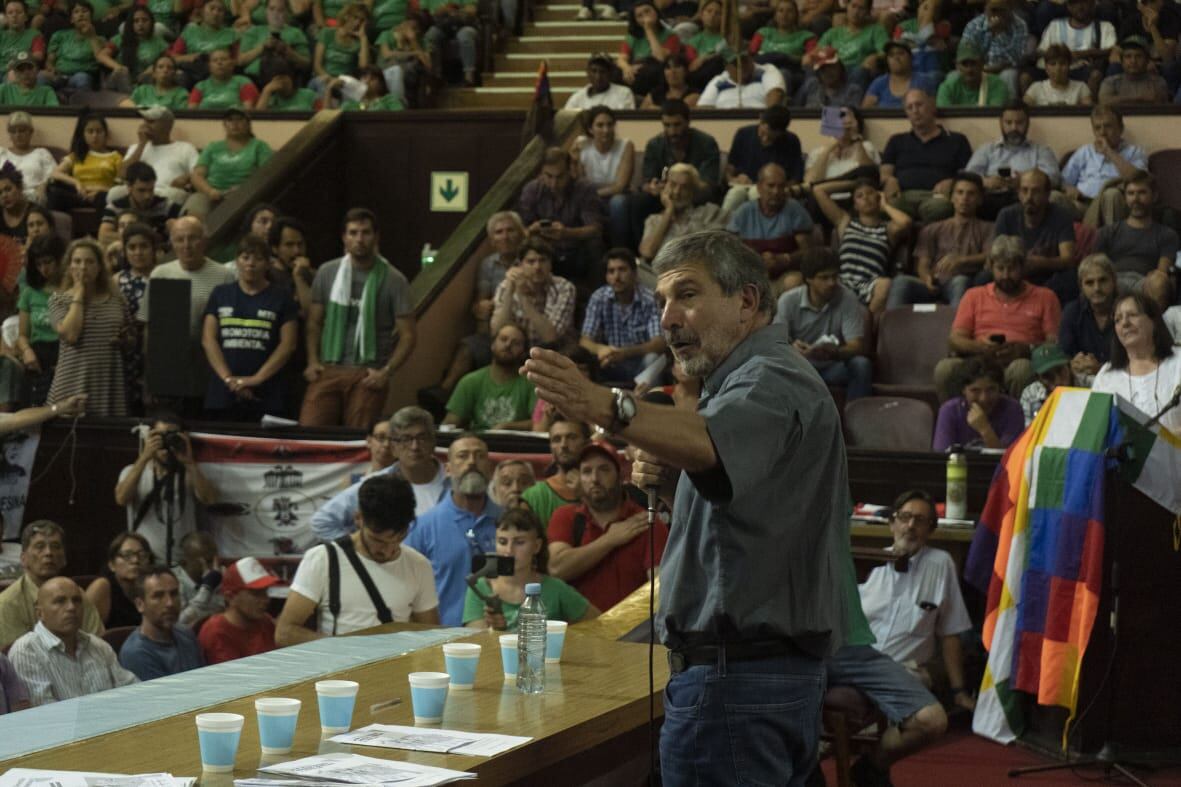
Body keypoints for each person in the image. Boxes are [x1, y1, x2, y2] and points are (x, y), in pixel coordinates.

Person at [525, 229, 849, 784]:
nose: (669, 319)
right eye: (662, 304)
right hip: (753, 677)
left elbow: (710, 443)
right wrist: (680, 486)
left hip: (737, 680)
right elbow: (748, 519)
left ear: (746, 301)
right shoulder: (741, 387)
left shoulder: (768, 378)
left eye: (688, 296)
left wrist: (602, 402)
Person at [276, 474, 440, 642]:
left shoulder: (419, 565)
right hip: (338, 664)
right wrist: (346, 649)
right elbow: (285, 632)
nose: (387, 551)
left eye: (399, 538)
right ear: (358, 519)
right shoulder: (322, 559)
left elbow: (430, 636)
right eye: (378, 540)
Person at [302, 208, 416, 427]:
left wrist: (386, 372)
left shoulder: (394, 279)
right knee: (309, 429)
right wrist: (312, 361)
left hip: (368, 372)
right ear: (344, 238)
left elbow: (408, 335)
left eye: (365, 233)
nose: (359, 239)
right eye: (353, 233)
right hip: (329, 366)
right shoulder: (327, 272)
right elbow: (314, 322)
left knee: (358, 437)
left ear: (376, 236)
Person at [859, 491, 974, 704]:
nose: (910, 526)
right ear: (892, 523)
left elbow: (951, 632)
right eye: (904, 517)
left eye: (920, 521)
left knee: (930, 722)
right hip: (861, 668)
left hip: (905, 672)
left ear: (930, 530)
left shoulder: (940, 564)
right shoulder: (870, 564)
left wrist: (959, 692)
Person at [934, 236, 1061, 401]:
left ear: (1023, 267)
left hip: (1021, 362)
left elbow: (1054, 343)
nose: (1006, 275)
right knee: (945, 369)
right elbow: (955, 339)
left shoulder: (1045, 297)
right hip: (979, 363)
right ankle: (953, 421)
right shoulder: (974, 295)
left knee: (1021, 369)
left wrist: (1026, 349)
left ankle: (1020, 423)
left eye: (1012, 269)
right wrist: (981, 347)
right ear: (991, 267)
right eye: (1000, 268)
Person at [548, 441, 668, 612]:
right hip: (576, 634)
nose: (595, 479)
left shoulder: (646, 522)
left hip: (632, 634)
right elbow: (556, 569)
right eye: (587, 471)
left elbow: (659, 591)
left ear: (620, 476)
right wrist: (610, 540)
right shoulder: (566, 516)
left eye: (604, 469)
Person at [137, 217, 237, 414]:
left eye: (193, 238)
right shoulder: (161, 273)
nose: (186, 245)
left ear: (205, 241)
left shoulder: (223, 275)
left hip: (209, 368)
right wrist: (150, 373)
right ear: (172, 243)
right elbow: (151, 329)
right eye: (179, 239)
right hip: (171, 370)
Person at [311, 406, 449, 541]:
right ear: (394, 448)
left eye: (422, 438)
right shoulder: (376, 485)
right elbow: (322, 522)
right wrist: (360, 551)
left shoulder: (454, 483)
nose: (415, 447)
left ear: (433, 442)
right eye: (406, 439)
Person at [403, 434, 499, 626]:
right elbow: (404, 592)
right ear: (447, 469)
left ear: (490, 468)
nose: (472, 462)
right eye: (463, 456)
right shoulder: (423, 527)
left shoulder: (508, 522)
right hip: (444, 639)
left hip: (503, 636)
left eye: (479, 456)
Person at [201, 234, 298, 421]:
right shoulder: (220, 294)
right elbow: (208, 339)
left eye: (258, 258)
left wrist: (256, 379)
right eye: (245, 257)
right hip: (223, 391)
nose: (251, 264)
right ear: (236, 261)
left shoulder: (282, 297)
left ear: (268, 263)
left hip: (267, 392)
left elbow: (288, 345)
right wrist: (229, 379)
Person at [8, 577, 138, 705]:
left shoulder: (98, 645)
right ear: (40, 613)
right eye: (60, 601)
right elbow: (45, 716)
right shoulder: (27, 651)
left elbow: (133, 690)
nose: (71, 607)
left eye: (77, 600)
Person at [464, 507, 600, 630]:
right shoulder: (480, 587)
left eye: (519, 542)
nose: (509, 551)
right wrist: (496, 630)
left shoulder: (555, 588)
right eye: (502, 542)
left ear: (536, 546)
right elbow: (476, 643)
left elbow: (599, 625)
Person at [614, 99, 720, 250]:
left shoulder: (706, 143)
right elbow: (647, 181)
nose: (672, 131)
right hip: (664, 195)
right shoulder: (654, 144)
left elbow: (709, 184)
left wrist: (683, 184)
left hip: (695, 195)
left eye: (677, 125)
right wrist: (652, 187)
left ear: (688, 122)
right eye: (667, 125)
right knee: (637, 203)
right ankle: (635, 255)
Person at [114, 414, 218, 564]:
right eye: (160, 435)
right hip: (144, 560)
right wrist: (144, 457)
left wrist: (189, 462)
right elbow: (121, 499)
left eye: (171, 436)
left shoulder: (191, 472)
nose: (165, 442)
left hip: (183, 562)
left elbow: (210, 499)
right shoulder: (132, 471)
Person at [774, 248, 872, 400]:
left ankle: (855, 418)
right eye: (824, 278)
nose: (832, 283)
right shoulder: (788, 300)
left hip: (831, 366)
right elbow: (776, 342)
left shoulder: (847, 298)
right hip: (798, 367)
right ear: (809, 279)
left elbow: (857, 346)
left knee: (861, 365)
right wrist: (792, 348)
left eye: (834, 276)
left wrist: (835, 352)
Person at [46, 238, 129, 417]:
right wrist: (79, 293)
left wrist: (125, 340)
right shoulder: (59, 300)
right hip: (73, 379)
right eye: (77, 261)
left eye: (90, 261)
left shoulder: (117, 299)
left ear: (99, 267)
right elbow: (70, 335)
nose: (83, 267)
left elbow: (129, 335)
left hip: (108, 378)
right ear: (69, 267)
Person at [890, 172, 993, 308]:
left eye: (971, 194)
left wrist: (961, 260)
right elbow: (923, 264)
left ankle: (956, 328)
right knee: (901, 282)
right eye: (960, 193)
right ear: (951, 197)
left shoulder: (988, 228)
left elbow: (990, 255)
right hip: (934, 282)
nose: (964, 198)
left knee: (960, 281)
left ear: (980, 199)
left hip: (965, 283)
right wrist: (926, 278)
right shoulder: (932, 229)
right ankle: (890, 327)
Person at [814, 176, 911, 316]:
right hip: (841, 282)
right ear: (855, 205)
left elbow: (906, 223)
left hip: (869, 285)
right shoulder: (846, 222)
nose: (866, 198)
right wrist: (853, 183)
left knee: (885, 284)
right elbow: (819, 190)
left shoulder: (887, 229)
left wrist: (885, 205)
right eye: (859, 196)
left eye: (870, 193)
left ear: (878, 197)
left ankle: (865, 325)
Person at [0, 521, 105, 650]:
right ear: (23, 558)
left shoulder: (77, 595)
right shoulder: (8, 603)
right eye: (40, 546)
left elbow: (99, 645)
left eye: (55, 546)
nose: (49, 553)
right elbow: (14, 658)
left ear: (64, 559)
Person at [1092, 292, 1181, 432]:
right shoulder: (1106, 376)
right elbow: (1097, 430)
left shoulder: (1178, 362)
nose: (1125, 323)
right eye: (1118, 320)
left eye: (1132, 315)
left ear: (1153, 320)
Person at [881, 89, 973, 222]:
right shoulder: (896, 140)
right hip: (904, 195)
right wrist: (889, 180)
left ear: (932, 106)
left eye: (919, 105)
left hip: (937, 197)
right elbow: (885, 173)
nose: (915, 111)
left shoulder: (957, 140)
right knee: (887, 205)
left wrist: (953, 182)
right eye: (910, 107)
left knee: (940, 208)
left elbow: (967, 175)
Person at [516, 146, 605, 282]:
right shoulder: (532, 190)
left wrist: (567, 233)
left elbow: (595, 228)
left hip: (577, 247)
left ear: (570, 171)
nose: (554, 183)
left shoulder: (585, 189)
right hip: (544, 248)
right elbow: (521, 229)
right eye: (549, 176)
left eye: (560, 177)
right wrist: (532, 230)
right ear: (541, 173)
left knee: (595, 244)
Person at [964, 101, 1062, 220]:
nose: (1014, 128)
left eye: (1019, 122)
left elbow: (1054, 179)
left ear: (1027, 123)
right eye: (1009, 122)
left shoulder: (1041, 151)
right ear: (1001, 123)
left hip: (1027, 199)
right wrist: (985, 181)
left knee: (1053, 198)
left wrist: (1025, 181)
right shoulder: (987, 149)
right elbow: (967, 177)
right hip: (991, 198)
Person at [579, 247, 665, 382]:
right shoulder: (599, 297)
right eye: (611, 271)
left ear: (635, 273)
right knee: (588, 360)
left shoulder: (649, 299)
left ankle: (649, 401)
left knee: (653, 358)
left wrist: (624, 353)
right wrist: (601, 349)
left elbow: (659, 343)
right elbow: (585, 341)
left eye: (622, 270)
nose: (616, 277)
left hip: (640, 362)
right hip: (610, 361)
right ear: (606, 276)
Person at [993, 169, 1079, 303]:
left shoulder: (1062, 216)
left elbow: (1068, 260)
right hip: (1013, 273)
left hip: (1048, 275)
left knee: (1070, 279)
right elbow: (995, 257)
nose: (1029, 197)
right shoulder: (1006, 215)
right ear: (1018, 193)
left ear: (1047, 194)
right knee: (984, 277)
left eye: (1036, 191)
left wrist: (1042, 263)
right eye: (1024, 190)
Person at [1094, 170, 1177, 308]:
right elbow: (1096, 266)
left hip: (1144, 282)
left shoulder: (1167, 234)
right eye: (1131, 193)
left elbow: (1162, 271)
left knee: (1159, 281)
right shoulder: (1107, 232)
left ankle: (1155, 328)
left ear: (1154, 196)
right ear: (1125, 197)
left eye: (1142, 193)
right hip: (1113, 280)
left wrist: (1157, 277)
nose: (1136, 199)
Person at [727, 163, 815, 289]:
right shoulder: (744, 212)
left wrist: (784, 259)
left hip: (784, 275)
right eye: (771, 186)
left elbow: (809, 252)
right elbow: (729, 251)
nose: (776, 192)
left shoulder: (795, 210)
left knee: (794, 282)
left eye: (781, 186)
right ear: (759, 187)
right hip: (751, 276)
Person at [1060, 104, 1148, 227]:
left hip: (1112, 204)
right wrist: (1068, 188)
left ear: (1120, 128)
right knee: (1054, 197)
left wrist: (1109, 152)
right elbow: (1063, 181)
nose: (1102, 132)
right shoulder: (1084, 152)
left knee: (1111, 194)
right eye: (1097, 128)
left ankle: (1108, 243)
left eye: (1108, 126)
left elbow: (1139, 180)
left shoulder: (1134, 152)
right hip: (1083, 204)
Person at [443, 323, 535, 430]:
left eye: (516, 343)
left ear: (523, 353)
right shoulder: (470, 381)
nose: (508, 345)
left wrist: (507, 427)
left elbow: (539, 424)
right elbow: (449, 424)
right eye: (503, 339)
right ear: (492, 345)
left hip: (517, 444)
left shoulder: (531, 382)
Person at [118, 566, 204, 681]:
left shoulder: (186, 634)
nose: (170, 603)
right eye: (158, 596)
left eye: (174, 594)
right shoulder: (136, 653)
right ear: (140, 604)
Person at [489, 238, 577, 349]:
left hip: (557, 350)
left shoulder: (564, 288)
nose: (537, 267)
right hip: (519, 351)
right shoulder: (505, 286)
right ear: (520, 265)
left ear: (550, 264)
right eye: (531, 262)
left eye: (543, 260)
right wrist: (510, 291)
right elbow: (496, 331)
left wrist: (523, 297)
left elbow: (550, 337)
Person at [186, 110, 273, 218]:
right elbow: (197, 176)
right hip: (211, 194)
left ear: (248, 124)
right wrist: (210, 191)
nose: (234, 124)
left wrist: (244, 190)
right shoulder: (213, 147)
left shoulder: (259, 146)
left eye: (239, 119)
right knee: (195, 205)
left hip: (245, 195)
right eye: (230, 120)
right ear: (224, 125)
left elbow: (267, 174)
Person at [721, 104, 804, 216]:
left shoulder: (791, 141)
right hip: (743, 185)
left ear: (781, 133)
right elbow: (730, 167)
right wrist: (733, 179)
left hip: (771, 190)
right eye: (762, 133)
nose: (764, 139)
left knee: (755, 194)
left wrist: (778, 187)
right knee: (735, 194)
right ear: (760, 119)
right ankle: (721, 228)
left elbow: (796, 177)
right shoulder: (743, 134)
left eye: (770, 137)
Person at [197, 556, 280, 664]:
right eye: (256, 593)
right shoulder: (216, 632)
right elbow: (234, 678)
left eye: (265, 591)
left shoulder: (265, 621)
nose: (266, 599)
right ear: (230, 597)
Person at [933, 355, 1025, 450]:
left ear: (999, 388)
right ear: (963, 390)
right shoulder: (950, 411)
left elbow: (1009, 460)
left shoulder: (1012, 409)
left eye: (991, 390)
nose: (983, 398)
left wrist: (984, 429)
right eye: (975, 390)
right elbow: (942, 456)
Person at [638, 162, 725, 261]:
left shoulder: (708, 213)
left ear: (693, 192)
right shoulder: (654, 220)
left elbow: (712, 252)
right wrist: (669, 211)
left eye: (684, 187)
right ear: (665, 186)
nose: (677, 192)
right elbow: (647, 252)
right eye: (673, 185)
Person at [115, 107, 199, 207]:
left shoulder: (185, 148)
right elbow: (122, 175)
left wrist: (186, 177)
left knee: (172, 194)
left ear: (167, 126)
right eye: (145, 121)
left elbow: (199, 172)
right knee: (114, 192)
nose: (145, 126)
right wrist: (142, 145)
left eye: (151, 122)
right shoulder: (136, 148)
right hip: (137, 192)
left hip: (167, 192)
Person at [15, 234, 64, 405]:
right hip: (37, 355)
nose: (44, 269)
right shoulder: (30, 292)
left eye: (48, 262)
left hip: (65, 352)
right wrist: (27, 351)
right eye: (39, 264)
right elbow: (22, 335)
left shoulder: (72, 291)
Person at [520, 416, 590, 528]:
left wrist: (586, 495)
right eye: (556, 439)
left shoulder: (605, 491)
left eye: (572, 438)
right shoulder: (533, 497)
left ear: (587, 443)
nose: (563, 445)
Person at [1036, 0, 1116, 97]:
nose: (1080, 7)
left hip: (1084, 70)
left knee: (1095, 75)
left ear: (1093, 5)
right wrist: (1062, 55)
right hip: (1056, 69)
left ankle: (1091, 108)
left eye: (1084, 2)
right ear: (1068, 6)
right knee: (1026, 76)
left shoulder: (1104, 26)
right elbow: (1041, 51)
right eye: (1075, 3)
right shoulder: (1055, 25)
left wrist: (1083, 54)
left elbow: (1111, 50)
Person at [47, 114, 123, 214]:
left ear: (106, 134)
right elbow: (55, 173)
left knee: (106, 198)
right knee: (53, 191)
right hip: (78, 194)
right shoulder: (77, 155)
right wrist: (76, 183)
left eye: (99, 131)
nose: (94, 135)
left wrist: (100, 190)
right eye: (90, 131)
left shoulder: (115, 156)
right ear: (83, 135)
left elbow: (121, 187)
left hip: (101, 196)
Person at [1060, 253, 1117, 384]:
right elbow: (1063, 355)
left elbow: (1139, 361)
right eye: (1089, 283)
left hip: (1122, 381)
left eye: (1103, 280)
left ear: (1113, 281)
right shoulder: (1072, 312)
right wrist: (1074, 363)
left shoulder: (1128, 310)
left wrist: (1100, 369)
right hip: (1081, 380)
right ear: (1081, 287)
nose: (1097, 288)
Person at [805, 0, 886, 87]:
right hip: (832, 69)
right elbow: (817, 51)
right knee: (810, 68)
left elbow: (885, 52)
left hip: (857, 70)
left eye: (861, 8)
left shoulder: (876, 30)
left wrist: (875, 57)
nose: (856, 12)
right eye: (853, 6)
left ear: (868, 12)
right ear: (847, 7)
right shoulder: (834, 32)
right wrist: (809, 57)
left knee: (860, 72)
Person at [98, 162, 180, 248]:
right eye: (141, 190)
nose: (147, 196)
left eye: (151, 190)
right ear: (129, 187)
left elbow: (189, 222)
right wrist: (146, 236)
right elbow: (104, 236)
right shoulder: (116, 207)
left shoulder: (166, 205)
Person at [960, 0, 1028, 96]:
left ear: (1010, 9)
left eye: (1002, 10)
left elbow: (1018, 57)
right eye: (994, 10)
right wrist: (989, 31)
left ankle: (1008, 109)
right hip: (978, 68)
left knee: (1009, 75)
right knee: (957, 76)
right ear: (986, 9)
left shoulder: (1020, 25)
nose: (998, 14)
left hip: (1005, 69)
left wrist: (1000, 33)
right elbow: (965, 53)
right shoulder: (974, 25)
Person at [85, 532, 153, 628]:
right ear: (112, 564)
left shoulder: (151, 588)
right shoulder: (102, 586)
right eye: (127, 555)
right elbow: (85, 634)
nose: (135, 560)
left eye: (142, 555)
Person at [617, 0, 682, 98]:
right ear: (635, 21)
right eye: (640, 15)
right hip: (635, 72)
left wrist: (648, 29)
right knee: (614, 72)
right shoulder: (632, 37)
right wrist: (627, 68)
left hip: (656, 71)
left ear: (656, 11)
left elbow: (660, 58)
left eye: (647, 11)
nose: (645, 17)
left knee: (654, 69)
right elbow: (621, 58)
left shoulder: (670, 36)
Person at [803, 105, 880, 188]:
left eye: (848, 118)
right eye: (839, 118)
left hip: (854, 196)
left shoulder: (866, 146)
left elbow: (870, 177)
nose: (843, 123)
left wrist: (856, 138)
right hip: (823, 196)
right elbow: (810, 182)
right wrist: (830, 147)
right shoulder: (817, 152)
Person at [696, 48, 787, 108]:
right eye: (736, 64)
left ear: (751, 58)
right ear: (726, 66)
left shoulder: (767, 71)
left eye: (744, 60)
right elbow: (703, 109)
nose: (741, 66)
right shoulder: (719, 81)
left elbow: (775, 97)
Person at [0, 112, 57, 204]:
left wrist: (43, 185)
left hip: (34, 200)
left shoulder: (42, 153)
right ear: (9, 134)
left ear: (31, 132)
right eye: (13, 131)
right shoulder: (1, 153)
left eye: (22, 130)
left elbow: (55, 176)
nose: (18, 135)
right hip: (5, 200)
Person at [172, 531, 225, 628]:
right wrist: (207, 588)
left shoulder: (221, 573)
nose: (214, 566)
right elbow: (178, 625)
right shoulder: (172, 581)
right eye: (208, 561)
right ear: (185, 561)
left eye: (216, 560)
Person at [936, 39, 1010, 107]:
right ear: (957, 65)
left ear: (982, 64)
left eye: (973, 63)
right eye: (964, 64)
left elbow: (995, 116)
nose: (969, 69)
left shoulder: (996, 85)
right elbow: (945, 118)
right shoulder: (948, 87)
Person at [862, 40, 936, 109]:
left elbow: (931, 110)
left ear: (911, 58)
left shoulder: (924, 81)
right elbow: (866, 111)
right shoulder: (878, 83)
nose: (896, 57)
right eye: (891, 55)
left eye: (901, 53)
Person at [1098, 36, 1169, 104]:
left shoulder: (1158, 82)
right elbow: (1104, 102)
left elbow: (1159, 102)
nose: (1133, 61)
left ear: (1147, 60)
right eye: (1128, 56)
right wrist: (1140, 98)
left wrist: (1119, 99)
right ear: (1122, 61)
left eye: (1138, 56)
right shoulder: (1110, 82)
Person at [1020, 343, 1075, 424]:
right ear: (1038, 378)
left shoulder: (1093, 384)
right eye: (1048, 376)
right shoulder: (1031, 394)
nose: (1058, 381)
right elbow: (1033, 431)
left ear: (1069, 367)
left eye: (1060, 371)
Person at [1023, 44, 1092, 106]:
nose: (1058, 68)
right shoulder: (1036, 88)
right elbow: (1023, 110)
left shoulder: (1081, 88)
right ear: (1046, 68)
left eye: (1062, 63)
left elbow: (1088, 113)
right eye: (1053, 64)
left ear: (1069, 66)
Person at [796, 48, 865, 107]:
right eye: (823, 69)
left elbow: (849, 117)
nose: (827, 72)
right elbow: (795, 108)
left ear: (840, 68)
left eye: (831, 67)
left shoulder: (853, 91)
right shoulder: (811, 85)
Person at [566, 53, 636, 109]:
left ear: (611, 73)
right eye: (594, 71)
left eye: (602, 71)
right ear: (587, 73)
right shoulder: (577, 98)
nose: (598, 76)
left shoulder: (624, 94)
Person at [124, 54, 189, 110]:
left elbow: (181, 116)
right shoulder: (141, 90)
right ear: (154, 73)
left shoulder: (181, 93)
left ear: (174, 74)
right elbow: (129, 109)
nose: (165, 70)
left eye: (169, 68)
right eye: (160, 67)